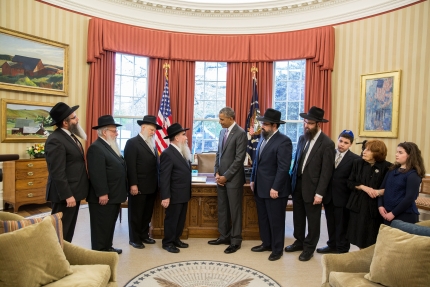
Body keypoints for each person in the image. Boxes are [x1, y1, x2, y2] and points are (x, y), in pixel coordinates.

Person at [285, 106, 335, 262]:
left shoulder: (327, 143)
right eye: (305, 122)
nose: (306, 125)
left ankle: (309, 248)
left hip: (313, 189)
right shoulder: (302, 138)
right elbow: (298, 162)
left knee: (313, 220)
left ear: (318, 124)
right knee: (298, 217)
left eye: (310, 123)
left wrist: (320, 193)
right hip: (298, 185)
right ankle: (299, 242)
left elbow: (326, 172)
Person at [250, 108, 292, 261]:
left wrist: (276, 187)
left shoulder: (284, 141)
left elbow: (283, 167)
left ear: (275, 125)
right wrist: (253, 179)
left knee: (276, 220)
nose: (263, 127)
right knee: (263, 218)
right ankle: (266, 243)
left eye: (266, 124)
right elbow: (257, 162)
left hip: (275, 189)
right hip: (260, 186)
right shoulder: (263, 137)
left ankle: (277, 249)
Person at [45, 102, 89, 242]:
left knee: (68, 230)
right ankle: (56, 259)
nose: (77, 120)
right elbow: (57, 172)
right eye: (74, 117)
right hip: (65, 195)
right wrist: (67, 195)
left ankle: (65, 256)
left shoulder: (70, 136)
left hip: (74, 191)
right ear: (65, 122)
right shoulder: (55, 140)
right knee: (60, 230)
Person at [208, 107, 247, 254]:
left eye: (222, 119)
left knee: (234, 210)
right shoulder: (222, 132)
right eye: (219, 118)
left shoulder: (241, 133)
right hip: (221, 178)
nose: (219, 122)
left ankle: (235, 240)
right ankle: (224, 236)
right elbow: (219, 153)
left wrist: (226, 176)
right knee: (223, 208)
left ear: (231, 118)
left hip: (233, 180)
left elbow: (239, 159)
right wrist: (217, 171)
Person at [87, 115, 128, 254]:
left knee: (109, 224)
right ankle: (99, 252)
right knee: (101, 225)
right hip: (104, 196)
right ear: (105, 132)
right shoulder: (96, 148)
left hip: (114, 195)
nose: (117, 133)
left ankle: (107, 246)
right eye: (114, 131)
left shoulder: (110, 146)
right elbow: (97, 174)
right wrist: (102, 193)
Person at [317, 130, 360, 254]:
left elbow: (353, 180)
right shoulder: (329, 154)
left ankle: (342, 248)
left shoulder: (354, 159)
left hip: (343, 197)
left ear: (350, 144)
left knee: (342, 225)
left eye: (346, 143)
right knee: (330, 223)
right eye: (340, 141)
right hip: (329, 196)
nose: (342, 144)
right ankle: (332, 245)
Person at [124, 115, 162, 249]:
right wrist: (133, 184)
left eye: (154, 131)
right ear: (143, 127)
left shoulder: (151, 143)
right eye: (152, 130)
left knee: (146, 213)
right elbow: (130, 166)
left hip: (151, 185)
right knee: (136, 213)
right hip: (138, 186)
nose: (153, 132)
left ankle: (144, 235)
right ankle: (134, 239)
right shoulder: (132, 143)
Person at [346, 139, 391, 249]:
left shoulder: (388, 167)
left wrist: (377, 192)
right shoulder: (358, 163)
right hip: (358, 204)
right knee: (358, 235)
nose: (364, 152)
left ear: (377, 153)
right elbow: (350, 182)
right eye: (364, 149)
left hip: (376, 206)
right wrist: (363, 187)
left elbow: (391, 188)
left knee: (372, 236)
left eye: (368, 150)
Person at [160, 123, 192, 253]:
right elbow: (164, 177)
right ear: (177, 138)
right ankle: (167, 242)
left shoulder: (182, 151)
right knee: (172, 219)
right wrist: (165, 196)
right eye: (183, 135)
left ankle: (176, 239)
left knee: (180, 219)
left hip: (183, 193)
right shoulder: (168, 154)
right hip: (174, 194)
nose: (186, 137)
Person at [377, 142, 426, 225]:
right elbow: (382, 190)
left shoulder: (413, 174)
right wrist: (380, 206)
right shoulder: (392, 170)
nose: (396, 155)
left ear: (410, 155)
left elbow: (409, 198)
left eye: (400, 153)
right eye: (397, 152)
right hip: (386, 212)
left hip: (404, 215)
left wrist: (393, 213)